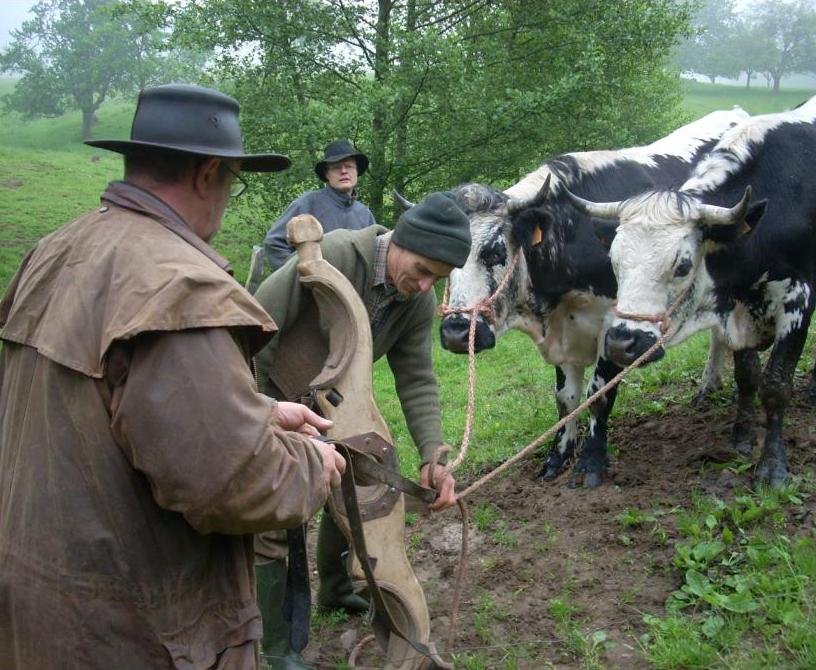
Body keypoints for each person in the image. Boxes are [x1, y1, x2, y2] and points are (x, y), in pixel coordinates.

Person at [0, 84, 346, 670]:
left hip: (33, 611)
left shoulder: (57, 249)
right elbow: (232, 484)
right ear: (209, 173)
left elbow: (105, 402)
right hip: (131, 632)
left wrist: (261, 412)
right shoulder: (180, 289)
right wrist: (315, 464)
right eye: (233, 181)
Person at [252, 191, 470, 665]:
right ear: (401, 241)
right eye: (423, 270)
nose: (426, 286)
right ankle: (275, 647)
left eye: (439, 278)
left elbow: (417, 377)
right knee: (276, 514)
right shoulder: (334, 252)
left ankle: (335, 588)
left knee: (359, 483)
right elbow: (255, 323)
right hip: (272, 390)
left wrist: (433, 454)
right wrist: (258, 407)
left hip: (337, 403)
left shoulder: (417, 301)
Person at [263, 139, 376, 270]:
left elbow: (375, 255)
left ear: (356, 172)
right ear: (327, 174)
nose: (344, 171)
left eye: (349, 166)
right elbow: (274, 242)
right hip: (313, 282)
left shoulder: (364, 214)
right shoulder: (308, 203)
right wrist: (297, 275)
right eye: (336, 167)